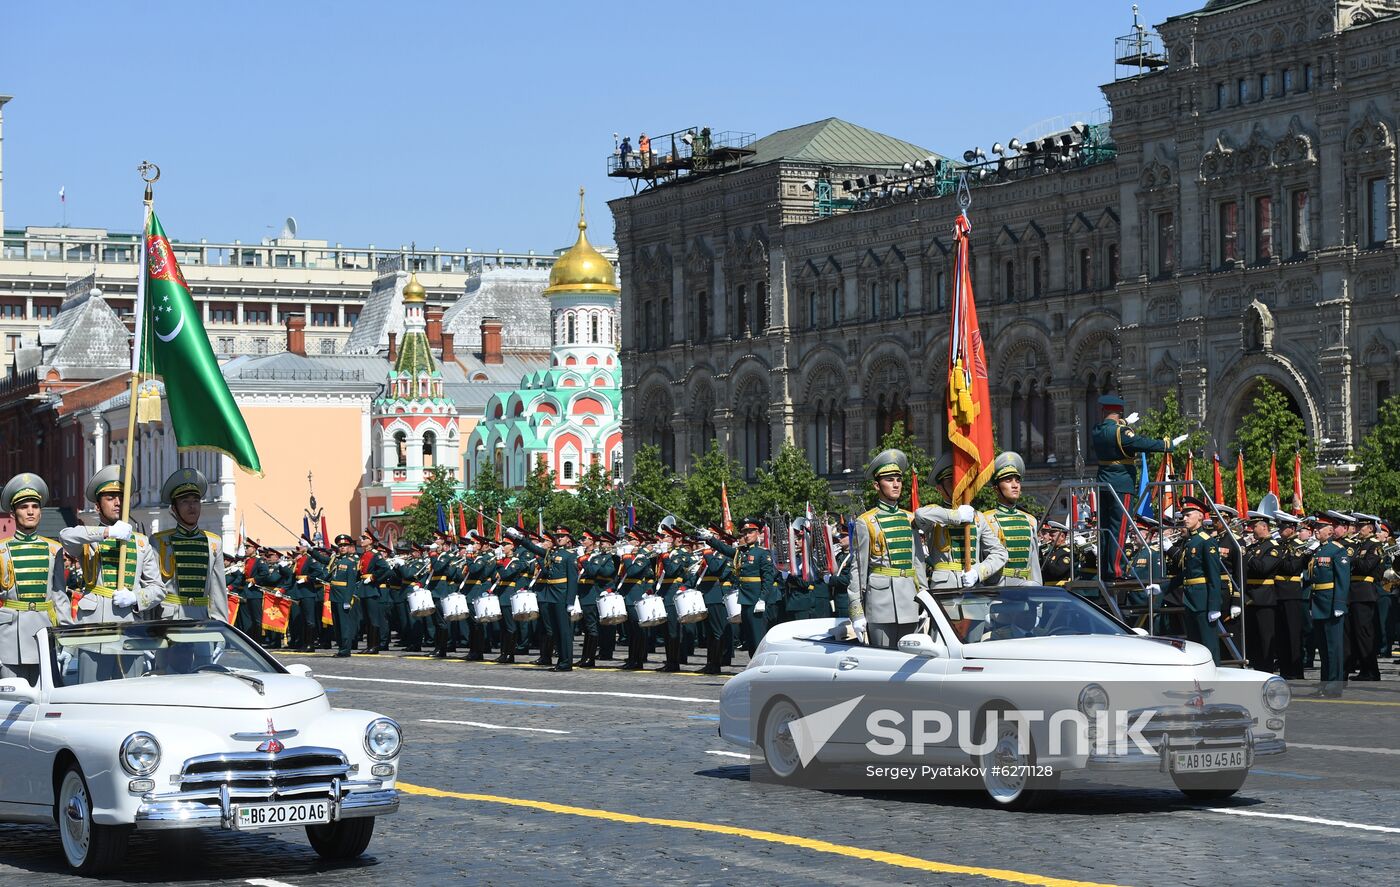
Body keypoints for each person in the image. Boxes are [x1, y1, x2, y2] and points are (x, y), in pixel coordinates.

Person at [1092, 394, 1183, 578]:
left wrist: (1124, 421)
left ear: (1104, 411)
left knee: (1104, 529)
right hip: (1121, 484)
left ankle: (1104, 568)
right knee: (1119, 528)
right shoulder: (1122, 433)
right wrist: (1168, 444)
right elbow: (1142, 443)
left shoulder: (1097, 430)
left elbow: (1111, 431)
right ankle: (1116, 570)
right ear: (1119, 412)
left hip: (1102, 484)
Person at [59, 464, 163, 624]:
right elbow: (66, 536)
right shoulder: (90, 539)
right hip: (93, 623)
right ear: (97, 506)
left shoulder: (141, 542)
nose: (118, 502)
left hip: (128, 623)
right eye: (110, 498)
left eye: (122, 497)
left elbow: (158, 588)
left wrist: (136, 597)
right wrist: (107, 532)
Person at [845, 449, 928, 649]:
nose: (896, 484)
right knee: (882, 664)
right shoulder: (866, 522)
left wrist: (926, 598)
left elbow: (918, 563)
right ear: (876, 485)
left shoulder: (910, 519)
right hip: (880, 605)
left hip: (910, 601)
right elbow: (858, 569)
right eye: (889, 480)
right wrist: (856, 611)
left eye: (898, 479)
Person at [0, 473, 66, 682]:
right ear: (13, 512)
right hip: (10, 639)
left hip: (43, 633)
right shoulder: (2, 550)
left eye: (35, 506)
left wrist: (67, 638)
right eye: (23, 506)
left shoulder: (54, 549)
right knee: (9, 704)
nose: (30, 511)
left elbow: (60, 597)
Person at [151, 468, 229, 623]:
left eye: (195, 501)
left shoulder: (213, 543)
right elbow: (152, 586)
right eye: (185, 501)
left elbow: (218, 593)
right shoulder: (158, 541)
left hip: (202, 618)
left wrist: (220, 628)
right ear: (174, 509)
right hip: (169, 619)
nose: (191, 506)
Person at [920, 453, 1007, 591]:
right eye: (951, 483)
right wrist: (957, 515)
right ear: (939, 489)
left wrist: (978, 572)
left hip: (972, 585)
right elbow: (920, 515)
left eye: (961, 482)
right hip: (944, 587)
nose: (958, 487)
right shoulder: (935, 514)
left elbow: (1000, 553)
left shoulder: (978, 517)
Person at [510, 525, 579, 672]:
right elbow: (534, 549)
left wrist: (570, 601)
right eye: (557, 536)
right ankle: (561, 660)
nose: (559, 538)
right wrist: (519, 538)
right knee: (555, 631)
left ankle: (567, 662)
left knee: (564, 631)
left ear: (568, 539)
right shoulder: (552, 553)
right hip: (550, 595)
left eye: (562, 536)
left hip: (561, 595)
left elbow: (573, 580)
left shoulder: (570, 555)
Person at [705, 518, 775, 656]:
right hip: (745, 600)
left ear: (758, 533)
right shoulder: (742, 552)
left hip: (756, 601)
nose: (747, 536)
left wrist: (762, 599)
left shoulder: (762, 554)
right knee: (749, 636)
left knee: (757, 637)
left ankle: (761, 666)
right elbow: (725, 549)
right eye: (745, 533)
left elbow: (768, 579)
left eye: (750, 532)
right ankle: (753, 664)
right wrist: (710, 539)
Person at [1166, 497, 1223, 663]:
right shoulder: (1190, 541)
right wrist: (1163, 587)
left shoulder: (1206, 541)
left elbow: (1214, 576)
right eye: (1183, 516)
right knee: (1194, 645)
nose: (1184, 519)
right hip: (1190, 599)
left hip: (1203, 601)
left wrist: (1214, 605)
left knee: (1208, 644)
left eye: (1188, 515)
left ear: (1199, 516)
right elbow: (1186, 573)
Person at [1308, 512, 1351, 697]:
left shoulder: (1337, 550)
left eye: (1320, 528)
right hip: (1318, 602)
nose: (1316, 530)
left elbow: (1343, 580)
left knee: (1334, 648)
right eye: (1316, 527)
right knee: (1323, 649)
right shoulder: (1318, 550)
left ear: (1330, 530)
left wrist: (1340, 604)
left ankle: (1334, 686)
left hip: (1331, 603)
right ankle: (1325, 684)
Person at [983, 452, 1041, 586]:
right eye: (1008, 480)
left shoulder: (1030, 520)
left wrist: (1037, 589)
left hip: (1026, 587)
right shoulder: (986, 520)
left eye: (1017, 480)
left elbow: (1034, 564)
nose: (1015, 485)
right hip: (998, 588)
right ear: (996, 488)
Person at [1242, 511, 1284, 673]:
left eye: (1255, 526)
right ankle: (1257, 668)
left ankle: (1266, 670)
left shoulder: (1273, 547)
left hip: (1264, 597)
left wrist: (1249, 555)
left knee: (1265, 638)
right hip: (1250, 596)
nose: (1251, 529)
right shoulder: (1255, 546)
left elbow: (1263, 569)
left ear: (1264, 527)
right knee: (1253, 638)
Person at [1271, 512, 1310, 679]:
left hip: (1291, 593)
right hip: (1277, 592)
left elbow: (1291, 567)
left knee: (1293, 635)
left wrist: (1276, 559)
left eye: (1283, 527)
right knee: (1281, 634)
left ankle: (1296, 670)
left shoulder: (1298, 546)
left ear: (1292, 528)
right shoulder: (1280, 544)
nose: (1280, 529)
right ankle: (1285, 669)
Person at [1346, 513, 1382, 681]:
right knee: (1356, 634)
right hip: (1354, 593)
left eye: (1362, 527)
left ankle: (1372, 671)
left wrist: (1352, 557)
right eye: (1358, 526)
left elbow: (1367, 566)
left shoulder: (1374, 545)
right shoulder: (1360, 545)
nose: (1358, 529)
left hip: (1364, 593)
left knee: (1365, 634)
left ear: (1371, 528)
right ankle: (1363, 669)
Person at [1040, 520, 1073, 587]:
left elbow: (1057, 571)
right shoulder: (1049, 552)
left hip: (1060, 589)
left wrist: (1044, 558)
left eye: (1052, 536)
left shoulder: (1067, 553)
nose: (1050, 538)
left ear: (1062, 536)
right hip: (1047, 587)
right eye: (1050, 535)